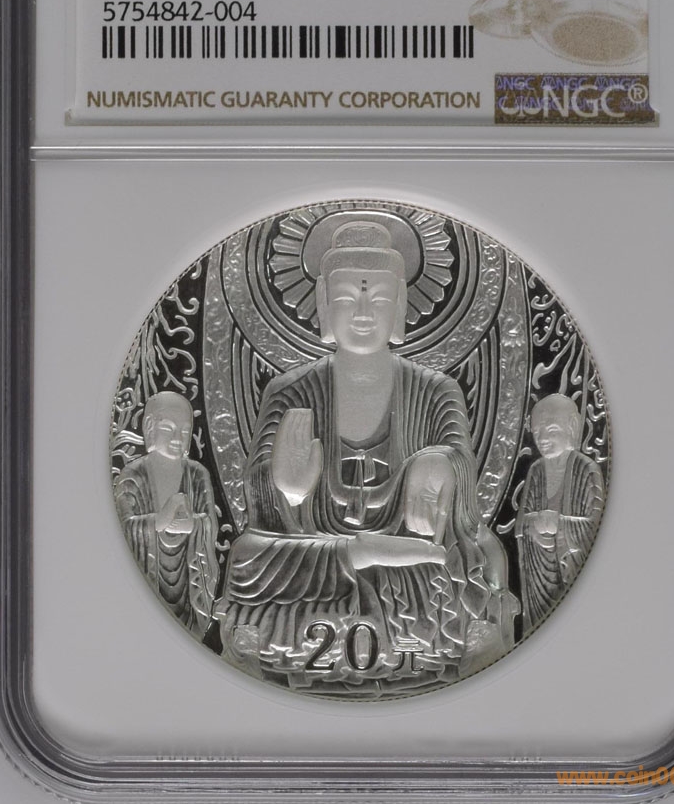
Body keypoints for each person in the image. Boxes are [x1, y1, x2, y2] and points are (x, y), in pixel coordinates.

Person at [216, 218, 508, 694]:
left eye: (380, 299)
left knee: (473, 557)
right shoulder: (289, 390)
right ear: (323, 304)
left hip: (413, 542)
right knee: (248, 558)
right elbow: (261, 499)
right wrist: (287, 490)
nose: (364, 312)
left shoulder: (436, 390)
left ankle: (379, 572)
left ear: (401, 307)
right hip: (313, 549)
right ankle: (373, 567)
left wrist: (438, 464)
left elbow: (462, 472)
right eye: (348, 298)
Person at [115, 391, 219, 639]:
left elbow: (209, 522)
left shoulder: (197, 473)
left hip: (189, 577)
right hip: (149, 574)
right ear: (150, 427)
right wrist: (158, 521)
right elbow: (122, 527)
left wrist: (192, 526)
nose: (177, 438)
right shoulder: (133, 474)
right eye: (169, 429)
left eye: (184, 431)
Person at [515, 393, 605, 631]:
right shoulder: (536, 470)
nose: (542, 438)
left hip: (572, 572)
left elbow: (597, 529)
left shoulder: (586, 468)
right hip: (539, 574)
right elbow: (521, 526)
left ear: (572, 427)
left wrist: (558, 524)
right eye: (537, 431)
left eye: (551, 430)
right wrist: (535, 526)